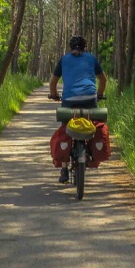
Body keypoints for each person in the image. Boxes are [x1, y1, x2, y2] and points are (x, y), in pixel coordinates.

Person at [48, 36, 108, 183]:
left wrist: (54, 95)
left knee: (66, 128)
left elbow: (53, 81)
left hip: (69, 100)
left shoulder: (64, 59)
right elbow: (103, 80)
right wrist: (99, 95)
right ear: (84, 47)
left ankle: (64, 168)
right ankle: (90, 153)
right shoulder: (91, 58)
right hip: (89, 99)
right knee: (92, 124)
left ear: (70, 47)